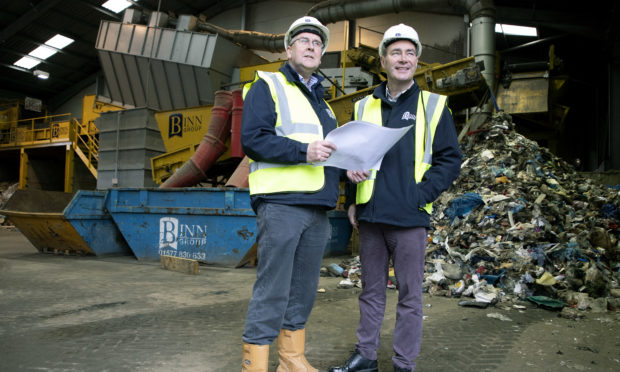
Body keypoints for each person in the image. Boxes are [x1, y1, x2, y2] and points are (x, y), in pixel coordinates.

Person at [329, 24, 461, 372]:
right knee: (370, 292)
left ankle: (404, 364)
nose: (403, 59)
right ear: (383, 61)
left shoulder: (433, 106)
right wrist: (353, 196)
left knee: (410, 297)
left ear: (416, 60)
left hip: (409, 218)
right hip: (371, 217)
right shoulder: (363, 106)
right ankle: (366, 357)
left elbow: (450, 159)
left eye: (410, 53)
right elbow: (351, 157)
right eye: (396, 52)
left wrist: (421, 195)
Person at [240, 16, 340, 372]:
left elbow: (328, 152)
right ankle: (254, 365)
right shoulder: (267, 85)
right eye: (304, 41)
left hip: (317, 207)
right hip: (282, 204)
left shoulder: (323, 103)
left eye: (317, 43)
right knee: (273, 290)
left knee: (303, 290)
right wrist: (304, 152)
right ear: (288, 48)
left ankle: (291, 360)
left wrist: (347, 166)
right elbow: (253, 140)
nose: (311, 47)